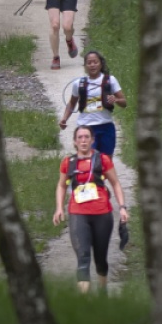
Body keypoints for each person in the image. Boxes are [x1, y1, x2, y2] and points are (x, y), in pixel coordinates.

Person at [52, 126, 129, 294]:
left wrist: (122, 207)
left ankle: (102, 291)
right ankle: (84, 303)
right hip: (78, 214)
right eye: (80, 137)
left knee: (100, 259)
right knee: (83, 258)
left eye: (87, 137)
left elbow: (115, 183)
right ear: (75, 141)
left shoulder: (102, 160)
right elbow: (61, 185)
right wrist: (59, 208)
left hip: (102, 214)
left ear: (92, 140)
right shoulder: (68, 162)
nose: (83, 140)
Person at [58, 50, 127, 156]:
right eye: (89, 63)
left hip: (106, 126)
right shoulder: (79, 84)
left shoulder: (110, 80)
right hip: (85, 128)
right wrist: (64, 118)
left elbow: (124, 102)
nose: (92, 65)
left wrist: (116, 100)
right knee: (88, 159)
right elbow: (72, 103)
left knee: (105, 161)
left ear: (101, 64)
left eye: (95, 62)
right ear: (85, 66)